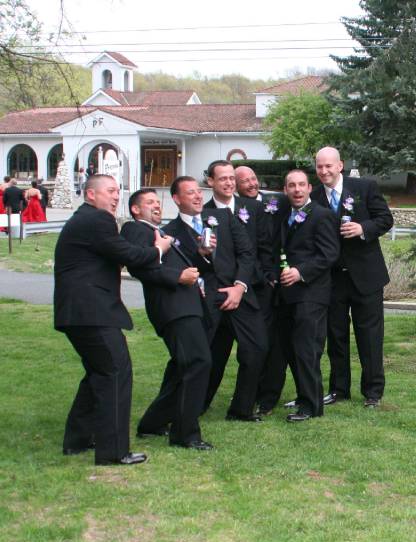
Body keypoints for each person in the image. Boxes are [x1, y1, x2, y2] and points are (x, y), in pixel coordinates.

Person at [55, 174, 173, 465]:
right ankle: (113, 451)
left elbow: (113, 255)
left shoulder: (84, 220)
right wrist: (159, 249)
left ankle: (78, 440)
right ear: (90, 194)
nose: (116, 196)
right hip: (92, 311)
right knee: (116, 372)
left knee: (99, 373)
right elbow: (128, 254)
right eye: (109, 191)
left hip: (79, 312)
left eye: (117, 191)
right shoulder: (98, 219)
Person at [164, 176, 266, 422]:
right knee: (198, 357)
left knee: (257, 347)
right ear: (176, 199)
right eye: (190, 193)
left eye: (199, 192)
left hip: (238, 293)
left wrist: (240, 286)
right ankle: (180, 408)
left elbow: (247, 252)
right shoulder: (170, 233)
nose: (198, 196)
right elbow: (179, 269)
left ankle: (241, 409)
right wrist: (200, 255)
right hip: (203, 301)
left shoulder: (222, 217)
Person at [121, 188, 213, 451]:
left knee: (181, 368)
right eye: (150, 202)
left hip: (187, 305)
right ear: (136, 209)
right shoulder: (135, 229)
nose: (156, 206)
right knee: (198, 362)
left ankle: (153, 423)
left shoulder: (158, 233)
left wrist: (201, 255)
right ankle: (185, 434)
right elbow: (139, 267)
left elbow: (179, 266)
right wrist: (177, 277)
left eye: (157, 202)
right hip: (174, 308)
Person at [310, 147, 394, 408]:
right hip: (332, 279)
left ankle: (373, 392)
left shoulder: (364, 188)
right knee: (336, 336)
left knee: (369, 337)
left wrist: (362, 228)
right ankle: (339, 389)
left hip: (366, 277)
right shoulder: (313, 197)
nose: (324, 171)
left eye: (328, 166)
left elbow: (385, 219)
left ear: (340, 165)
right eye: (320, 166)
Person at [202, 161, 274, 415]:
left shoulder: (253, 208)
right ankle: (198, 404)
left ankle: (242, 408)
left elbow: (264, 246)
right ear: (210, 181)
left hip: (252, 290)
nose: (229, 183)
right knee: (214, 353)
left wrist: (263, 280)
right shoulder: (204, 213)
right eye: (223, 178)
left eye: (232, 178)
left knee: (255, 349)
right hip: (218, 294)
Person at [270, 169, 339, 422]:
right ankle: (303, 396)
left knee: (306, 349)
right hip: (287, 295)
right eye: (292, 185)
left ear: (310, 188)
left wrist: (300, 272)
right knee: (291, 349)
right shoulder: (283, 214)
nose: (297, 190)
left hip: (312, 293)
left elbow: (329, 254)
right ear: (285, 190)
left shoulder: (322, 215)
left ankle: (312, 406)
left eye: (301, 185)